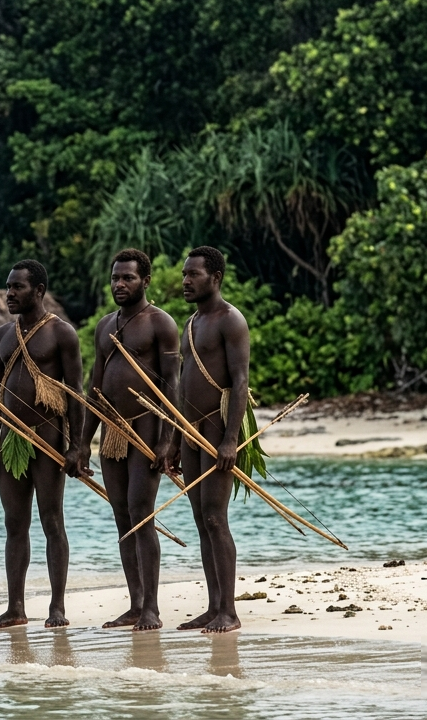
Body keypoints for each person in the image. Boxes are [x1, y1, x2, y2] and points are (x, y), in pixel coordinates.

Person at [0, 259, 88, 630]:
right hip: (11, 440)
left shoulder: (62, 334)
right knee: (14, 524)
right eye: (8, 287)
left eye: (18, 287)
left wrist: (76, 447)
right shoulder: (1, 336)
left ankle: (57, 607)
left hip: (49, 436)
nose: (9, 293)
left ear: (38, 291)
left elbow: (75, 394)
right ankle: (16, 607)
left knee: (52, 520)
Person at [74, 249, 180, 631]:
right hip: (112, 430)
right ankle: (135, 604)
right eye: (116, 278)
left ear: (145, 281)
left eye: (128, 278)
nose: (119, 284)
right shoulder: (105, 326)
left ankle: (151, 607)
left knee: (142, 515)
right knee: (122, 518)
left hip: (147, 427)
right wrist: (82, 441)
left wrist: (170, 440)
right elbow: (95, 386)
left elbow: (172, 385)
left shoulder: (161, 324)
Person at [173, 246, 251, 634]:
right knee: (200, 520)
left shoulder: (230, 320)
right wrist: (173, 440)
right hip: (188, 431)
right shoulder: (189, 324)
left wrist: (231, 439)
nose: (185, 280)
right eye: (185, 274)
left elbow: (239, 382)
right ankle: (213, 606)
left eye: (194, 274)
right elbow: (181, 385)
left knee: (216, 518)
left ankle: (230, 612)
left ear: (215, 278)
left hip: (217, 430)